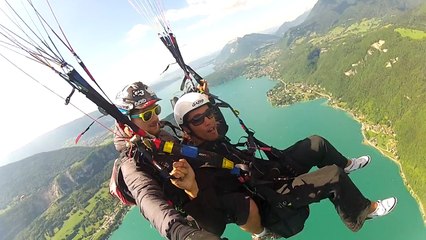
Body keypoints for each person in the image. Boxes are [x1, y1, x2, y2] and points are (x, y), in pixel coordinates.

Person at [171, 92, 398, 240]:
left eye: (208, 114)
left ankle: (346, 164)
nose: (209, 121)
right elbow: (213, 219)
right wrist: (191, 188)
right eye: (198, 120)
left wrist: (204, 94)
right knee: (333, 176)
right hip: (270, 195)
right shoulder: (195, 163)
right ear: (187, 129)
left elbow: (221, 125)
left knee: (316, 143)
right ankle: (364, 211)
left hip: (269, 170)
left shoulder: (212, 135)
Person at [113, 82, 222, 240]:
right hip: (185, 215)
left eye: (156, 110)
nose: (156, 118)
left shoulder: (159, 135)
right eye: (147, 115)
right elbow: (147, 199)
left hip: (191, 192)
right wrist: (180, 232)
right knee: (218, 222)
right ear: (127, 126)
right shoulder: (131, 165)